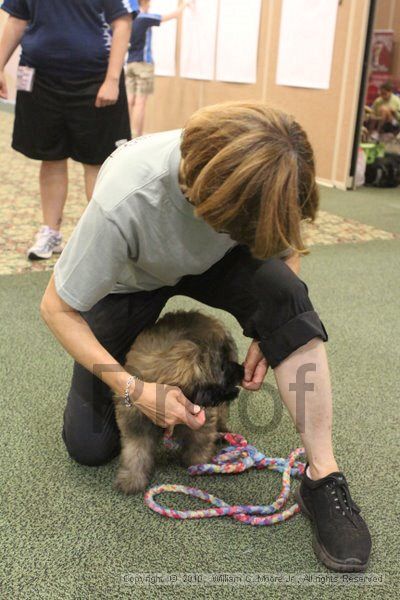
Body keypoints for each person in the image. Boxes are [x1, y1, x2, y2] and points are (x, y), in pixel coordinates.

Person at [40, 102, 371, 572]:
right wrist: (134, 388)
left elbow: (286, 257)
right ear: (207, 198)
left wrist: (265, 329)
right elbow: (56, 308)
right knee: (89, 447)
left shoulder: (254, 177)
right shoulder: (126, 198)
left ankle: (323, 474)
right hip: (131, 279)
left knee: (287, 296)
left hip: (216, 258)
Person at [0, 0, 139, 260]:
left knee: (98, 163)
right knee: (50, 157)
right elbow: (16, 20)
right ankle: (50, 231)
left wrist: (112, 80)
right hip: (40, 79)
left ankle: (101, 238)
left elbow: (122, 23)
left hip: (95, 80)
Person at [125, 0, 190, 136]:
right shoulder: (144, 18)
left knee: (130, 100)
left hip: (129, 64)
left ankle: (126, 134)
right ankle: (136, 135)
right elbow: (174, 15)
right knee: (140, 102)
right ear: (144, 3)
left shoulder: (129, 19)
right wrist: (185, 4)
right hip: (143, 64)